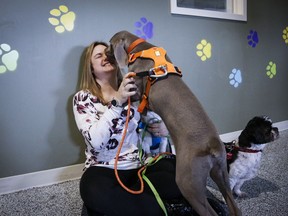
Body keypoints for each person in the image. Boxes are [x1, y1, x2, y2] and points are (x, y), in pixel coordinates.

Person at [72, 41, 185, 216]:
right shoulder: (83, 98)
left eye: (108, 54)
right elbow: (95, 142)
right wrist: (117, 101)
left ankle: (131, 204)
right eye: (98, 56)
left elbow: (158, 116)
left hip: (140, 167)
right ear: (91, 68)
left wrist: (165, 127)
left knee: (180, 169)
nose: (106, 57)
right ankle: (157, 208)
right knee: (91, 190)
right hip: (104, 169)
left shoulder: (134, 91)